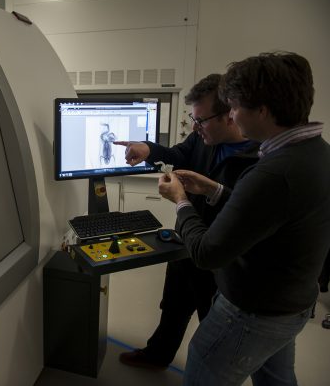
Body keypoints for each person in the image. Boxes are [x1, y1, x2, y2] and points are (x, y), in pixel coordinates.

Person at [158, 52, 330, 385]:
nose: (233, 117)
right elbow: (269, 216)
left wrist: (181, 201)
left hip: (253, 312)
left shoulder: (273, 173)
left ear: (262, 110)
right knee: (275, 379)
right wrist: (215, 191)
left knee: (204, 369)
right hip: (290, 303)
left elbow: (207, 253)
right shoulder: (316, 153)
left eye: (235, 108)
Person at [112, 74, 260, 370]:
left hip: (221, 254)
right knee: (174, 307)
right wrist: (149, 150)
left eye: (201, 120)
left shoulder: (258, 158)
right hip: (188, 239)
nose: (194, 127)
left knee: (212, 319)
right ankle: (157, 355)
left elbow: (249, 215)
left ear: (229, 116)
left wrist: (190, 198)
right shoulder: (204, 139)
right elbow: (178, 155)